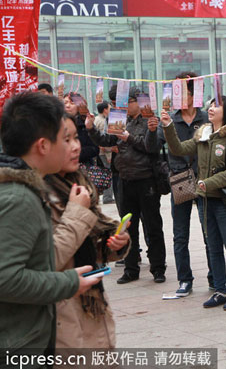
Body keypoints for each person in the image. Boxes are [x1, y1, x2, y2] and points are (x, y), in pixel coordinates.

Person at [0, 92, 99, 353]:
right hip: (17, 347)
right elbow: (5, 278)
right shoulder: (18, 197)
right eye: (62, 139)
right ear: (43, 145)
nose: (70, 147)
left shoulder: (24, 187)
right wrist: (67, 284)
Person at [45, 114, 130, 348]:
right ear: (42, 146)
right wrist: (75, 213)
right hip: (62, 315)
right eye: (66, 140)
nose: (76, 146)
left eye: (76, 138)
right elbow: (47, 260)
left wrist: (114, 242)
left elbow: (92, 240)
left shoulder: (80, 185)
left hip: (94, 307)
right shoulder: (36, 194)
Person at [161, 96, 226, 310]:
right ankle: (219, 290)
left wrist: (207, 183)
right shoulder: (203, 134)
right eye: (210, 105)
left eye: (216, 105)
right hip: (205, 201)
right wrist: (168, 127)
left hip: (224, 202)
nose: (210, 108)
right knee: (213, 248)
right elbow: (179, 149)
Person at [85, 88, 167, 284]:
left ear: (138, 102)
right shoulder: (120, 119)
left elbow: (151, 147)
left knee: (153, 226)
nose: (121, 106)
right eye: (116, 102)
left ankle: (158, 268)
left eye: (126, 101)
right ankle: (131, 268)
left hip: (146, 180)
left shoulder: (151, 120)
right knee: (128, 227)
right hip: (125, 179)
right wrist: (91, 129)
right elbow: (106, 140)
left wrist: (128, 137)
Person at [145, 71, 213, 297]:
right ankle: (185, 280)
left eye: (184, 93)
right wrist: (153, 130)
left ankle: (215, 276)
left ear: (194, 96)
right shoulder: (170, 119)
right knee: (180, 234)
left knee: (208, 231)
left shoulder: (206, 119)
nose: (179, 98)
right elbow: (153, 149)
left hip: (203, 180)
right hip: (180, 180)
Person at [64, 92, 99, 166]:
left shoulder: (85, 124)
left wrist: (73, 154)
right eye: (65, 102)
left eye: (72, 103)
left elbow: (95, 149)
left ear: (79, 106)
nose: (67, 106)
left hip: (83, 167)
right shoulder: (57, 123)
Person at [95, 102, 115, 204]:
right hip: (105, 153)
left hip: (99, 153)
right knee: (108, 174)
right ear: (105, 110)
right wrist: (108, 155)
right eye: (109, 108)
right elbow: (104, 142)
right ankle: (108, 197)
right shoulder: (103, 122)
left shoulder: (96, 119)